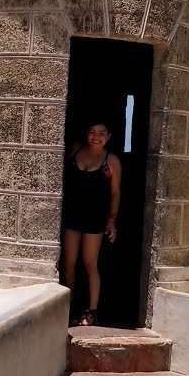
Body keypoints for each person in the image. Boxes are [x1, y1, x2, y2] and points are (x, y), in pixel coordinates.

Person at [61, 121, 122, 326]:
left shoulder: (110, 161)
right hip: (72, 215)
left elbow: (115, 192)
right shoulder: (75, 152)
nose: (97, 137)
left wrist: (111, 221)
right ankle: (70, 306)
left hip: (95, 218)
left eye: (102, 133)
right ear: (87, 133)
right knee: (68, 264)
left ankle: (91, 312)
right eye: (93, 132)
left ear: (109, 136)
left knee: (89, 263)